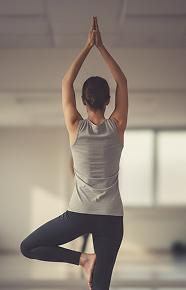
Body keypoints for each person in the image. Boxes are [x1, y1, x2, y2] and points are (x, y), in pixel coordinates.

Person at [20, 16, 128, 290]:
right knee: (101, 287)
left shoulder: (74, 127)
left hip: (79, 213)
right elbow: (122, 82)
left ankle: (83, 259)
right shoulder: (116, 127)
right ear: (108, 101)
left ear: (82, 101)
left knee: (29, 247)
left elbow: (67, 82)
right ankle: (89, 260)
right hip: (111, 217)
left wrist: (88, 46)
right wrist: (101, 47)